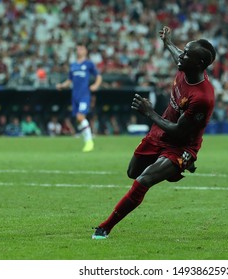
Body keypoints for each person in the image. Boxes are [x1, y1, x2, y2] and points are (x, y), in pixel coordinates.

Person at [92, 26, 216, 239]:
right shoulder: (186, 65)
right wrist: (168, 41)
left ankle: (104, 227)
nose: (181, 56)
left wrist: (149, 112)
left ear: (199, 64)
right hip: (160, 132)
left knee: (143, 180)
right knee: (132, 171)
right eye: (183, 51)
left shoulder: (202, 98)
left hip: (181, 145)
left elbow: (179, 132)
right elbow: (177, 54)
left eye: (187, 54)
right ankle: (175, 171)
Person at [56, 42, 102, 152]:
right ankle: (87, 138)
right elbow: (69, 80)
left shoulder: (89, 64)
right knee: (78, 119)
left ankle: (89, 141)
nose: (79, 51)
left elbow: (99, 76)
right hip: (74, 95)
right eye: (78, 49)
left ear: (85, 51)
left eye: (81, 49)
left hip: (84, 94)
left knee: (80, 117)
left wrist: (95, 85)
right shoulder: (73, 65)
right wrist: (62, 85)